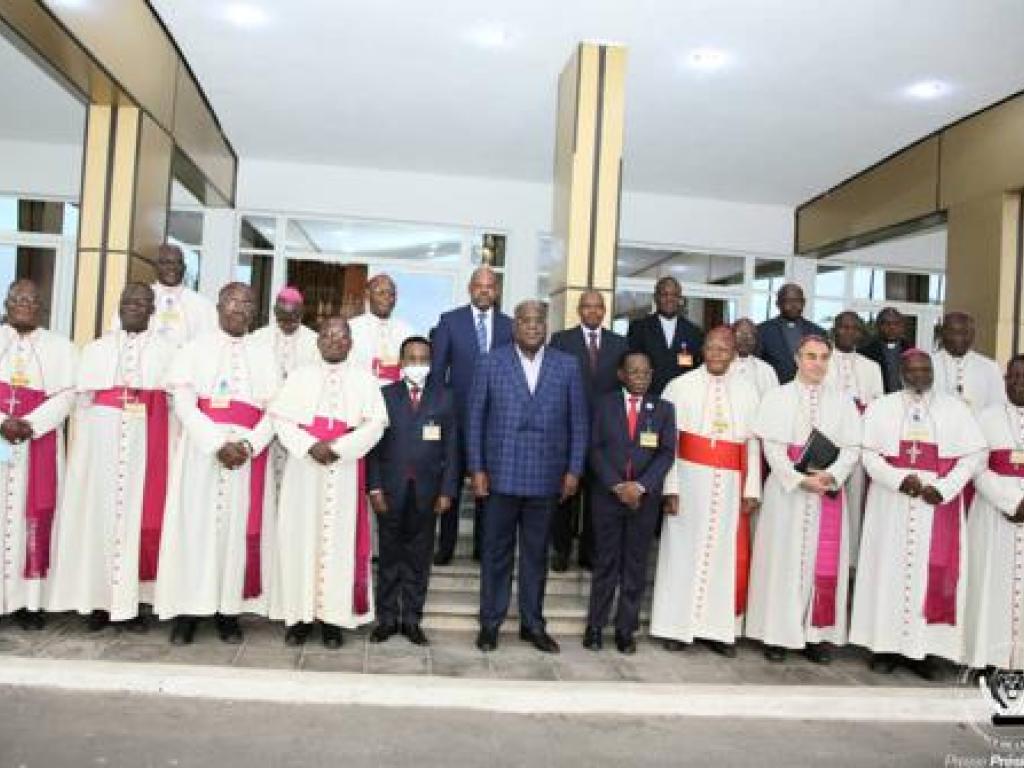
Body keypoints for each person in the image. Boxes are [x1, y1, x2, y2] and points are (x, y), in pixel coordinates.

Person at [154, 283, 279, 645]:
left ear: (254, 312)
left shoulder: (264, 355)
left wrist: (249, 444)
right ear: (219, 306)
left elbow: (274, 410)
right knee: (196, 530)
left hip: (246, 456)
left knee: (236, 534)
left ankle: (228, 612)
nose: (240, 307)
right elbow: (184, 404)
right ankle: (190, 612)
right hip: (202, 454)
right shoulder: (194, 350)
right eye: (233, 300)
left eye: (248, 302)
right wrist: (216, 443)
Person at [850, 349, 985, 679]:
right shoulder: (882, 407)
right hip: (891, 503)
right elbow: (867, 454)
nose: (921, 375)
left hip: (936, 504)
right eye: (913, 370)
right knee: (887, 572)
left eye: (926, 369)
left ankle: (924, 651)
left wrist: (946, 486)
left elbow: (975, 455)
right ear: (901, 373)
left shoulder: (955, 410)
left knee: (930, 575)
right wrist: (898, 480)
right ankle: (884, 646)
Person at [47, 284, 172, 631]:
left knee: (136, 519)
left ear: (152, 310)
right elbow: (83, 404)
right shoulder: (96, 350)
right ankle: (100, 601)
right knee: (100, 519)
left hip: (145, 446)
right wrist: (84, 457)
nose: (133, 307)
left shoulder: (168, 352)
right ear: (119, 307)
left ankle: (132, 604)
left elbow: (173, 406)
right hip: (102, 444)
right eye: (127, 302)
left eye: (141, 303)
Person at [468, 300, 587, 653]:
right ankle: (490, 623)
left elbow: (579, 423)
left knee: (536, 556)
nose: (533, 327)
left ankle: (532, 625)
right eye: (526, 321)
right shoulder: (491, 362)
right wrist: (477, 469)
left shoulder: (567, 365)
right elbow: (475, 419)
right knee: (495, 554)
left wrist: (574, 470)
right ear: (514, 326)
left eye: (539, 321)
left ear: (545, 326)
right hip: (499, 476)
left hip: (547, 478)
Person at [269, 317, 388, 648]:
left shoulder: (364, 380)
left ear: (350, 343)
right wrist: (310, 446)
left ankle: (332, 619)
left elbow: (376, 424)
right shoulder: (300, 377)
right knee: (300, 540)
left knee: (340, 544)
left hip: (345, 468)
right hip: (305, 469)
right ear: (317, 341)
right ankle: (299, 618)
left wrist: (340, 448)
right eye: (328, 335)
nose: (335, 340)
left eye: (341, 335)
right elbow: (280, 419)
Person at [746, 335, 861, 663]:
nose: (818, 364)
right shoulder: (777, 397)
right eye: (811, 356)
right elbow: (772, 447)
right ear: (797, 359)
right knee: (782, 562)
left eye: (824, 357)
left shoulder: (843, 402)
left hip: (826, 493)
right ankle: (777, 635)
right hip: (788, 495)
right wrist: (799, 479)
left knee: (819, 565)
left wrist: (831, 476)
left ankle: (816, 635)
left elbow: (853, 448)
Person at [650, 327, 762, 657]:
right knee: (683, 555)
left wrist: (751, 487)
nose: (717, 355)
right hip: (688, 480)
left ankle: (717, 630)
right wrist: (669, 488)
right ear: (703, 350)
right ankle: (676, 628)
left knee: (723, 557)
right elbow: (668, 443)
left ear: (733, 353)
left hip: (730, 484)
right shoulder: (679, 387)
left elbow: (752, 443)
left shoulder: (748, 391)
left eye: (724, 350)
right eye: (711, 348)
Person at [366, 336, 458, 646]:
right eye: (412, 358)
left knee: (419, 560)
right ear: (401, 363)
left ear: (430, 364)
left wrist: (447, 490)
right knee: (390, 558)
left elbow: (453, 449)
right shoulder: (384, 395)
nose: (418, 364)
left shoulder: (444, 397)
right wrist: (374, 486)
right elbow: (374, 447)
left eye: (423, 359)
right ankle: (387, 619)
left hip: (428, 493)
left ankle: (412, 620)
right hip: (390, 491)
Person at [583, 351, 675, 654]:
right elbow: (593, 449)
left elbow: (666, 453)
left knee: (635, 566)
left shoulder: (663, 409)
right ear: (622, 374)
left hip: (644, 501)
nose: (640, 377)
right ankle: (595, 626)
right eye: (634, 372)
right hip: (607, 497)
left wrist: (640, 486)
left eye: (645, 373)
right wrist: (617, 485)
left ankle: (625, 629)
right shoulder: (603, 404)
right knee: (606, 563)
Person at [0, 279, 77, 630]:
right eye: (18, 298)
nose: (24, 304)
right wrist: (3, 422)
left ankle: (29, 603)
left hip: (38, 442)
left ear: (42, 308)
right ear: (6, 303)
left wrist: (30, 424)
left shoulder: (61, 348)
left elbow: (68, 395)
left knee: (35, 518)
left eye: (32, 300)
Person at [430, 266, 513, 565]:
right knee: (450, 480)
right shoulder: (450, 322)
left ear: (497, 291)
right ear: (469, 288)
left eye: (490, 286)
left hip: (496, 422)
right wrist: (437, 414)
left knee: (487, 487)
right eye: (479, 285)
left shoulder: (509, 326)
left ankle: (483, 547)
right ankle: (446, 547)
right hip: (457, 419)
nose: (484, 290)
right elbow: (438, 373)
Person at [548, 290, 628, 571]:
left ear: (605, 311)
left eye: (598, 307)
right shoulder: (560, 341)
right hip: (567, 430)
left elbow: (624, 387)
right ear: (579, 310)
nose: (593, 312)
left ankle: (589, 552)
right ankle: (561, 551)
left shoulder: (620, 343)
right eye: (587, 307)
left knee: (598, 495)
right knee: (565, 494)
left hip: (604, 434)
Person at [966, 355, 1024, 672]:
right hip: (993, 513)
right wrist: (1011, 501)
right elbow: (976, 465)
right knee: (991, 585)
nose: (1018, 383)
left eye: (1023, 377)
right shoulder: (985, 417)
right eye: (1012, 377)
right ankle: (987, 658)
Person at [824, 311, 884, 564]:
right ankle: (825, 555)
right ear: (834, 331)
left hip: (859, 442)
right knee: (826, 497)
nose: (849, 333)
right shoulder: (821, 361)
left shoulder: (872, 367)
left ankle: (851, 561)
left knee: (855, 502)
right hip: (828, 442)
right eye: (844, 328)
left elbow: (878, 406)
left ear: (861, 333)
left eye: (854, 329)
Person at [251, 286, 319, 494]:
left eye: (294, 317)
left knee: (294, 485)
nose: (288, 322)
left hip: (298, 423)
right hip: (264, 420)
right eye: (283, 317)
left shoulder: (315, 342)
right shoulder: (257, 339)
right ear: (274, 311)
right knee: (264, 484)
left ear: (302, 312)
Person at [121, 243, 217, 349]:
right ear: (155, 266)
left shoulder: (202, 305)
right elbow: (119, 336)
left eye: (178, 263)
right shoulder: (135, 298)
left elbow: (210, 344)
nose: (172, 268)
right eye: (166, 262)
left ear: (184, 268)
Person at [626, 276, 704, 397]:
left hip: (682, 397)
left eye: (674, 295)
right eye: (664, 294)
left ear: (680, 299)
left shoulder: (694, 332)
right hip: (648, 396)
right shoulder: (639, 328)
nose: (669, 299)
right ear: (656, 298)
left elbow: (698, 368)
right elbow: (631, 364)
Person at [932, 311, 1004, 415]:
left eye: (964, 332)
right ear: (942, 333)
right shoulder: (928, 364)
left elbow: (997, 407)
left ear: (973, 335)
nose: (958, 337)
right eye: (952, 332)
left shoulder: (989, 368)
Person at [348, 274, 415, 386]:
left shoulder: (407, 331)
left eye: (392, 294)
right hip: (360, 395)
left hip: (397, 398)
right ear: (367, 295)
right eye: (381, 293)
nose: (387, 298)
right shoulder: (351, 328)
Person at [756, 283, 825, 384]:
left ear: (804, 302)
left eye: (797, 300)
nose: (793, 305)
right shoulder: (762, 331)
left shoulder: (818, 332)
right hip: (775, 391)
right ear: (778, 304)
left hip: (810, 392)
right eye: (788, 300)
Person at [859, 307, 909, 395]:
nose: (892, 327)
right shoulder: (864, 353)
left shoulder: (912, 352)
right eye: (887, 323)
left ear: (902, 327)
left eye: (896, 323)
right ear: (878, 326)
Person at [729, 318, 779, 398]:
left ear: (756, 340)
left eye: (750, 335)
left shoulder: (766, 370)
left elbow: (775, 400)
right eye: (739, 334)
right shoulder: (720, 366)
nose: (744, 339)